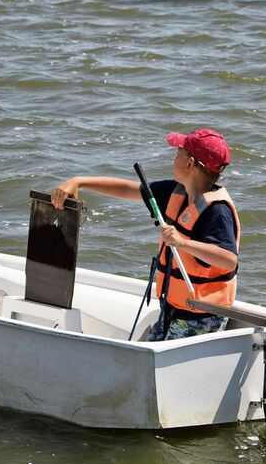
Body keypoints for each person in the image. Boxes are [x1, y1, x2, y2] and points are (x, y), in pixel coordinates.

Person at [50, 128, 240, 342]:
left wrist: (182, 242)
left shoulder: (217, 211)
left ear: (190, 164)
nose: (173, 158)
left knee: (159, 362)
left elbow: (228, 259)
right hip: (173, 308)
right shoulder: (174, 192)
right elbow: (126, 190)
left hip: (200, 317)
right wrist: (79, 182)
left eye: (178, 154)